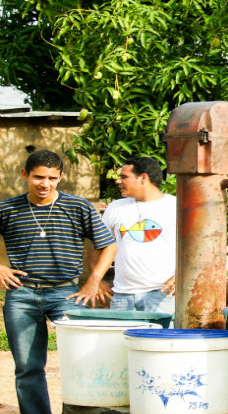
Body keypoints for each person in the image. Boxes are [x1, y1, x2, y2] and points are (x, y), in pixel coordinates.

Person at [0, 150, 116, 414]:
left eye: (52, 178)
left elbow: (108, 245)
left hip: (66, 293)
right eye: (38, 177)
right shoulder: (7, 209)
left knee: (83, 359)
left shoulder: (78, 206)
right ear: (25, 175)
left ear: (60, 176)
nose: (45, 183)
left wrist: (94, 280)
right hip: (22, 294)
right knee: (27, 366)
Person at [99, 156, 177, 315]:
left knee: (158, 339)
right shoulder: (115, 207)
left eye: (124, 177)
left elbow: (194, 249)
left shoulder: (175, 206)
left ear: (143, 178)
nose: (118, 181)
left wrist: (181, 276)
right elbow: (101, 246)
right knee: (120, 339)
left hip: (162, 294)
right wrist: (97, 279)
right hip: (121, 294)